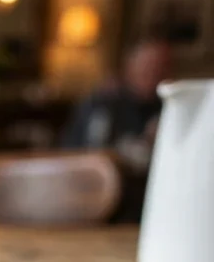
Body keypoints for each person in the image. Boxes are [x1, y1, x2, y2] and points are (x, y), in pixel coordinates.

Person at [62, 39, 173, 167]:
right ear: (130, 67)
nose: (155, 74)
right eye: (148, 67)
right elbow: (91, 152)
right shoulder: (104, 103)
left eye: (162, 67)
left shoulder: (167, 108)